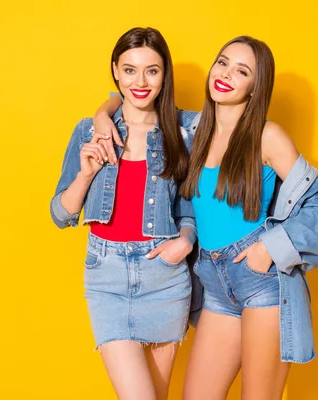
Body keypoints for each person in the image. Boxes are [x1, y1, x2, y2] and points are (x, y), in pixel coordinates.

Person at [94, 35, 318, 400]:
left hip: (261, 282)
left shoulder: (266, 136)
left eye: (242, 71)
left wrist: (269, 249)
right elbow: (129, 102)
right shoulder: (193, 132)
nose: (226, 74)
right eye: (222, 62)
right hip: (216, 287)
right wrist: (103, 111)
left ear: (255, 88)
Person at [50, 27, 198, 400]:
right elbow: (59, 213)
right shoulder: (90, 130)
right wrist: (85, 174)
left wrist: (186, 239)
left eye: (152, 70)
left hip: (164, 277)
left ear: (165, 75)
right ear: (115, 70)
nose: (141, 81)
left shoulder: (183, 132)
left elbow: (191, 205)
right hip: (107, 279)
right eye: (130, 70)